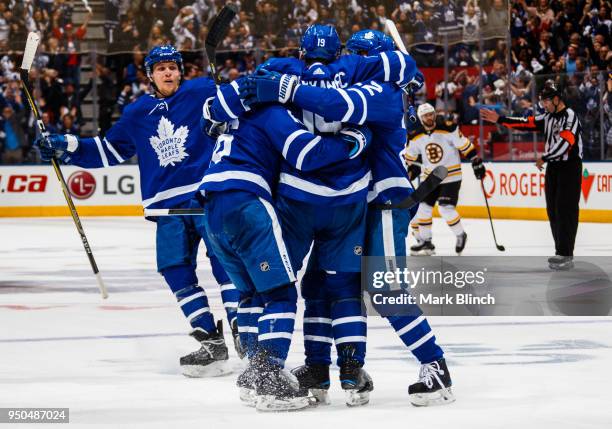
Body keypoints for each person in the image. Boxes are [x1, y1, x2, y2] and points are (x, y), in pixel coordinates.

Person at [244, 29, 456, 407]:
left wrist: (286, 87)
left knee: (388, 291)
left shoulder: (384, 93)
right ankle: (319, 367)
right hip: (363, 203)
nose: (347, 65)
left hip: (387, 203)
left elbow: (334, 101)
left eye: (356, 56)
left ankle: (435, 366)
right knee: (322, 287)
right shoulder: (382, 84)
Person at [34, 45, 241, 376]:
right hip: (166, 208)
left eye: (173, 67)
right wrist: (68, 146)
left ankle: (242, 327)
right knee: (175, 271)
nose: (169, 73)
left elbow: (236, 106)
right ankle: (210, 341)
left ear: (181, 71)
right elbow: (110, 151)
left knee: (225, 264)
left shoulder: (202, 90)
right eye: (161, 69)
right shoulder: (136, 112)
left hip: (205, 197)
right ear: (150, 75)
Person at [200, 76, 373, 412]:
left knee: (253, 293)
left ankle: (253, 373)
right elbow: (306, 153)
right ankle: (269, 377)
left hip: (211, 207)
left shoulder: (229, 116)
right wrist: (356, 139)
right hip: (247, 202)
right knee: (281, 294)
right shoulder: (272, 112)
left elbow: (209, 115)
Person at [481, 80, 583, 270]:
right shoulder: (546, 117)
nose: (543, 105)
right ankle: (560, 252)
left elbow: (566, 143)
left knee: (565, 211)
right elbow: (524, 123)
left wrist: (545, 157)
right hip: (553, 168)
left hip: (569, 168)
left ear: (556, 99)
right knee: (553, 211)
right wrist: (500, 119)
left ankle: (566, 254)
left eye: (546, 101)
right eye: (543, 101)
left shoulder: (570, 116)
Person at [405, 103, 484, 255]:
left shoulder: (448, 128)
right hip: (430, 177)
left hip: (451, 174)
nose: (429, 117)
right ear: (421, 118)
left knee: (445, 208)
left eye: (431, 114)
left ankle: (461, 234)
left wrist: (475, 160)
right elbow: (412, 160)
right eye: (425, 115)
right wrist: (410, 172)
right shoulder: (415, 136)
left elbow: (465, 146)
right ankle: (427, 243)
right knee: (423, 208)